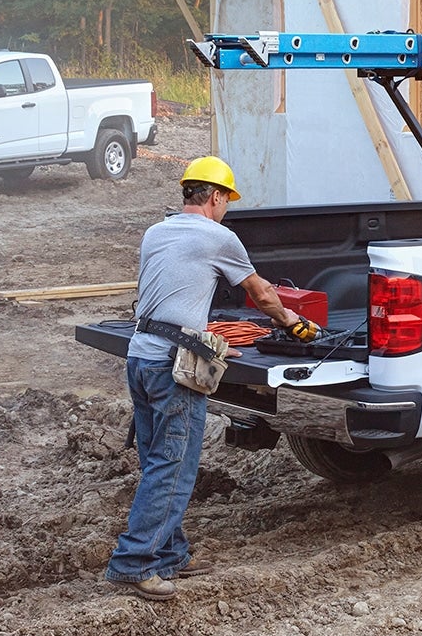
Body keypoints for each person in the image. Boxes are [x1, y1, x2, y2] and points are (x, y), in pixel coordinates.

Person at [105, 155, 316, 601]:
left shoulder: (155, 232)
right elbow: (260, 293)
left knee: (157, 458)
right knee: (174, 466)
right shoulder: (219, 236)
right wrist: (292, 321)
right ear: (216, 197)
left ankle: (170, 554)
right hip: (171, 365)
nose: (227, 211)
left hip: (140, 356)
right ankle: (133, 563)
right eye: (227, 202)